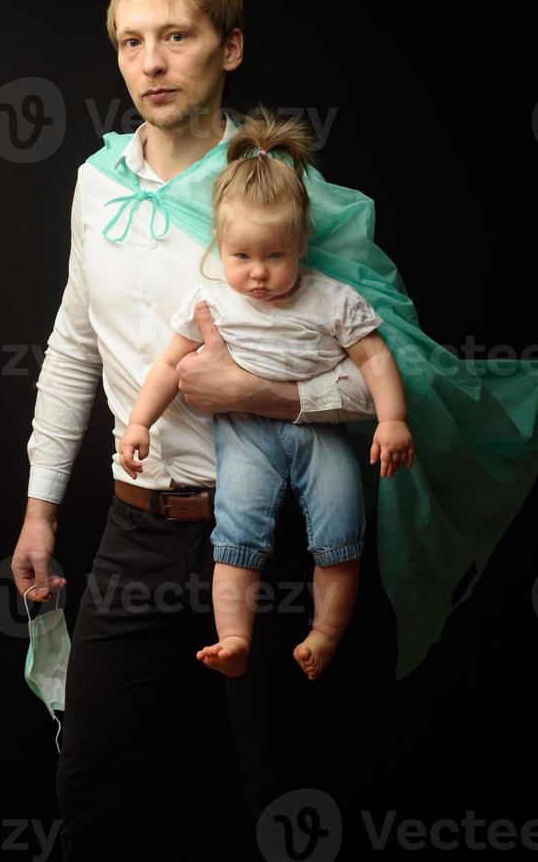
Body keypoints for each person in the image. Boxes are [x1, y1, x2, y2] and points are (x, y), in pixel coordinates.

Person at [11, 0, 538, 859]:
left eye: (177, 36)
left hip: (279, 523)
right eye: (132, 42)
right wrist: (39, 510)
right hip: (139, 524)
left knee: (288, 790)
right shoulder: (96, 186)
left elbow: (386, 370)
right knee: (90, 785)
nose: (153, 63)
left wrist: (256, 392)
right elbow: (73, 347)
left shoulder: (273, 187)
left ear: (232, 46)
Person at [119, 107, 414, 682]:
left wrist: (393, 420)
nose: (258, 273)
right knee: (236, 538)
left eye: (274, 256)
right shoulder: (211, 301)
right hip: (244, 436)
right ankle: (234, 637)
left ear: (301, 243)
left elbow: (375, 358)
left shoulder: (331, 298)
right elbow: (165, 366)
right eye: (242, 257)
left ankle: (325, 634)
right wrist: (139, 424)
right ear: (221, 246)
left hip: (319, 434)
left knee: (340, 534)